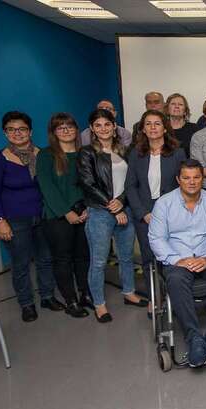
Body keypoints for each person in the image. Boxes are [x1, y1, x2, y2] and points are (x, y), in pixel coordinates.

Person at [149, 159, 206, 369]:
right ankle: (194, 338)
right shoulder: (164, 204)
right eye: (186, 178)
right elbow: (156, 238)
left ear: (202, 179)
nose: (192, 182)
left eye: (196, 177)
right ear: (178, 179)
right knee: (175, 279)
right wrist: (178, 260)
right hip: (178, 259)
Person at [0, 111, 57, 322]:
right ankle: (26, 304)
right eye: (11, 129)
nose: (17, 133)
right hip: (15, 221)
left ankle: (47, 296)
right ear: (5, 133)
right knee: (21, 264)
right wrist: (0, 221)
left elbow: (52, 185)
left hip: (43, 216)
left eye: (22, 129)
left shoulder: (43, 155)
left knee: (45, 259)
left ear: (30, 131)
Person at [78, 108, 145, 323]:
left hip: (125, 209)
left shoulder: (125, 151)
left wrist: (121, 202)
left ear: (114, 126)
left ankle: (129, 292)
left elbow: (132, 181)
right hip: (100, 212)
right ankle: (99, 304)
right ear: (92, 129)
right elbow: (88, 183)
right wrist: (113, 207)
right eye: (98, 125)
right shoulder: (87, 152)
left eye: (107, 124)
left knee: (126, 257)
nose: (103, 129)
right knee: (98, 261)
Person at [37, 113, 91, 318]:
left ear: (76, 129)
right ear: (54, 132)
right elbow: (47, 186)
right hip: (57, 217)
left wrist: (88, 208)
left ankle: (85, 294)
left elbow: (91, 183)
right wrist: (66, 212)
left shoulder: (84, 153)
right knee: (63, 259)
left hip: (84, 213)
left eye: (70, 126)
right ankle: (71, 300)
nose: (66, 130)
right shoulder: (46, 155)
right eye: (60, 127)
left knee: (83, 257)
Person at [125, 109, 186, 276]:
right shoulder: (136, 154)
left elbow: (185, 184)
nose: (153, 127)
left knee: (172, 255)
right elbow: (130, 186)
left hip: (172, 212)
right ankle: (153, 291)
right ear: (143, 129)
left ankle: (172, 289)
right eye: (148, 124)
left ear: (165, 128)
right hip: (144, 213)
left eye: (157, 123)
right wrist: (143, 213)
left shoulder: (178, 152)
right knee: (149, 258)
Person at [164, 93, 198, 158]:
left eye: (180, 104)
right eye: (173, 104)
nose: (177, 106)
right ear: (167, 109)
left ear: (185, 111)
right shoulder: (161, 128)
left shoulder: (194, 129)